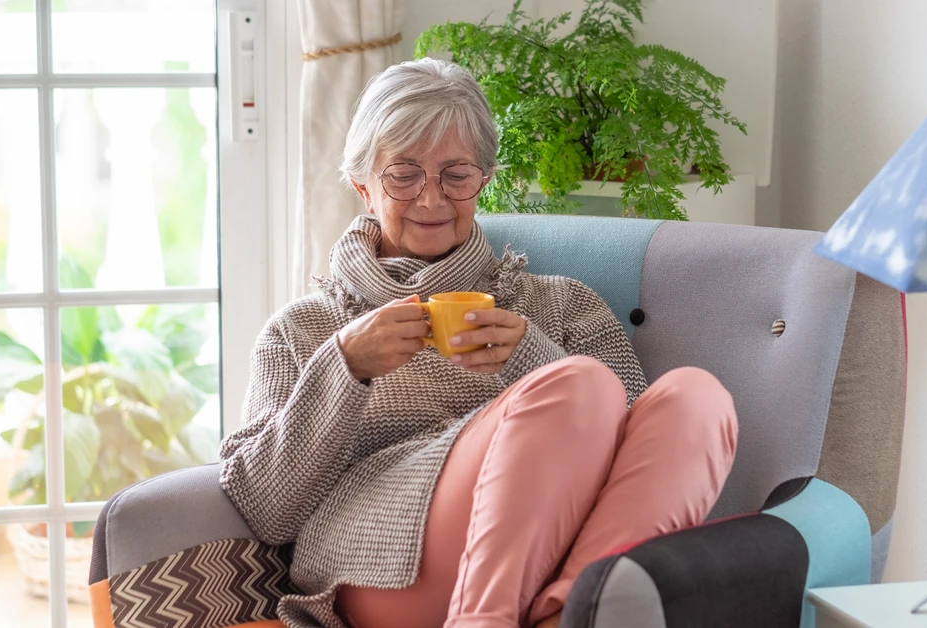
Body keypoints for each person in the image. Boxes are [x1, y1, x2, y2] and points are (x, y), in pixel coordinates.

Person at [219, 58, 738, 628]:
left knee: (696, 397)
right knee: (581, 381)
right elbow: (266, 511)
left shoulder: (562, 305)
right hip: (383, 563)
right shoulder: (301, 331)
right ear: (363, 185)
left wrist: (531, 359)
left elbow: (640, 449)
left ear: (484, 180)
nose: (431, 199)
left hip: (556, 552)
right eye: (404, 174)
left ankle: (571, 612)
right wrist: (345, 367)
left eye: (456, 175)